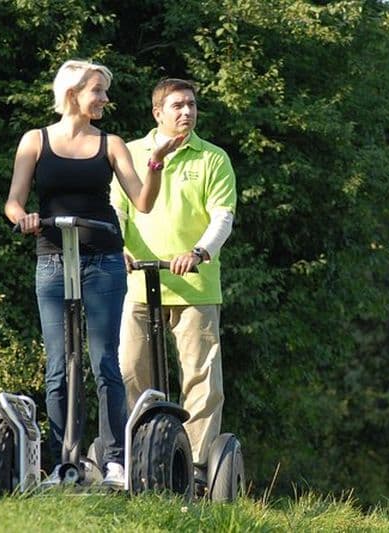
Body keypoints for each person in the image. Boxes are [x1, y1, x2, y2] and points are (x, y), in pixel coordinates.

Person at [4, 60, 184, 488]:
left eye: (104, 91)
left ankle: (114, 462)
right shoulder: (35, 140)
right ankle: (59, 464)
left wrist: (156, 162)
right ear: (73, 94)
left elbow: (142, 202)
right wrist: (25, 218)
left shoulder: (111, 144)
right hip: (51, 258)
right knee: (57, 366)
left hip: (102, 260)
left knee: (104, 361)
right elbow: (13, 201)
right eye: (98, 91)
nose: (105, 98)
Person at [110, 78, 237, 493]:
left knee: (200, 378)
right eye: (178, 105)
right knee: (130, 367)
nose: (187, 112)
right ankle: (144, 452)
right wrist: (118, 246)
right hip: (137, 281)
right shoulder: (131, 153)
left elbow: (223, 217)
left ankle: (196, 467)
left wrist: (199, 252)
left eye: (192, 105)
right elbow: (117, 210)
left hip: (194, 283)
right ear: (157, 112)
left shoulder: (212, 158)